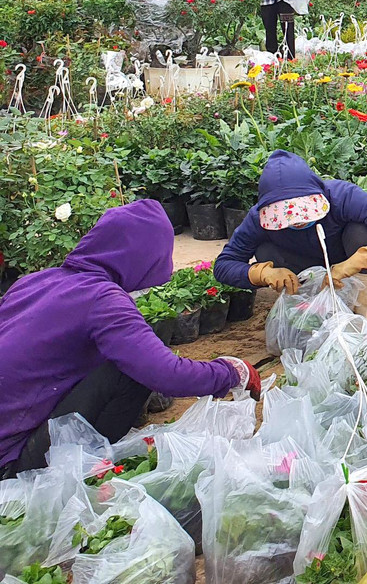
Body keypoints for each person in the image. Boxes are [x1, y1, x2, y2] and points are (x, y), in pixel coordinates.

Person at [0, 201, 261, 477]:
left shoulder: (37, 281)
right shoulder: (102, 299)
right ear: (145, 256)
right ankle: (89, 464)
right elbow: (167, 376)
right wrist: (232, 372)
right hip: (14, 461)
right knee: (129, 372)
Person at [214, 150, 367, 317]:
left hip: (363, 272)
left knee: (360, 232)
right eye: (288, 217)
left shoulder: (342, 196)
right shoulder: (258, 218)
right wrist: (262, 273)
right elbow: (224, 265)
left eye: (302, 212)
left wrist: (359, 260)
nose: (299, 221)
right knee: (265, 250)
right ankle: (312, 309)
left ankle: (366, 312)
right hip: (311, 277)